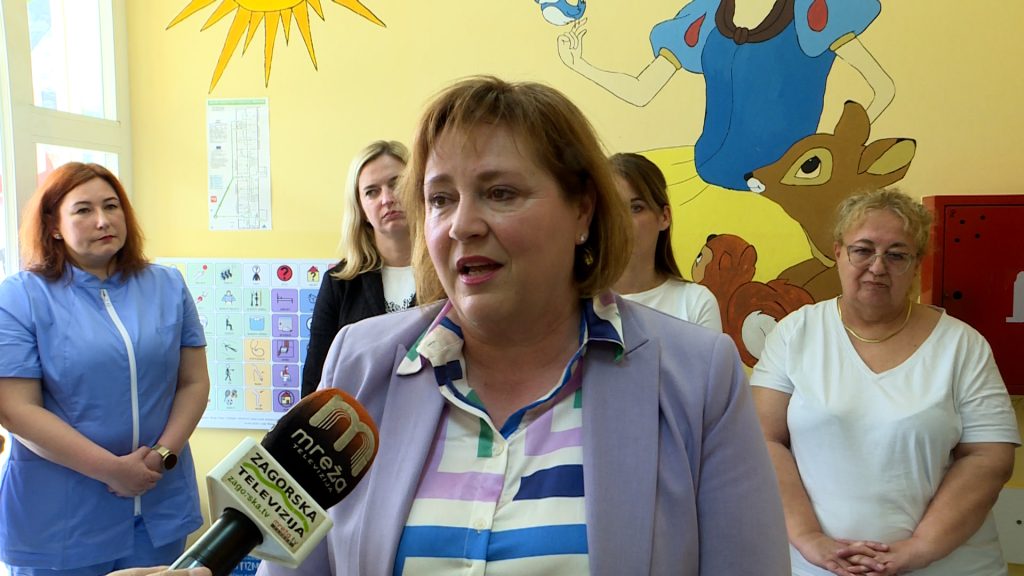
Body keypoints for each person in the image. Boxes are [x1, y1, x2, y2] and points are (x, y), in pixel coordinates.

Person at [257, 76, 789, 576]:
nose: (462, 225)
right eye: (440, 199)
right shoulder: (359, 363)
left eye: (501, 193)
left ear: (582, 211)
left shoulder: (697, 377)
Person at [751, 188, 1019, 575]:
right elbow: (764, 440)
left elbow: (989, 458)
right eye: (862, 250)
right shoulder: (795, 334)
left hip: (947, 566)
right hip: (817, 565)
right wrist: (809, 538)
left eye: (896, 255)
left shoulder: (962, 345)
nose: (877, 267)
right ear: (838, 253)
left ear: (917, 264)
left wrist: (920, 549)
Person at [0, 163, 209, 574]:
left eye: (111, 206)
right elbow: (15, 409)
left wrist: (163, 455)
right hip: (60, 520)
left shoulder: (167, 285)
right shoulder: (20, 297)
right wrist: (112, 471)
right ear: (53, 225)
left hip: (158, 508)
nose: (103, 220)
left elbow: (193, 382)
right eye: (83, 210)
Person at [301, 140, 415, 397]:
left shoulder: (447, 274)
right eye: (372, 192)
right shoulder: (340, 283)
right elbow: (315, 384)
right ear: (361, 209)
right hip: (356, 420)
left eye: (396, 183)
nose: (387, 199)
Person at [609, 152, 722, 331]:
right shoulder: (577, 302)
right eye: (611, 208)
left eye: (636, 208)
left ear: (664, 217)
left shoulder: (695, 303)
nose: (622, 222)